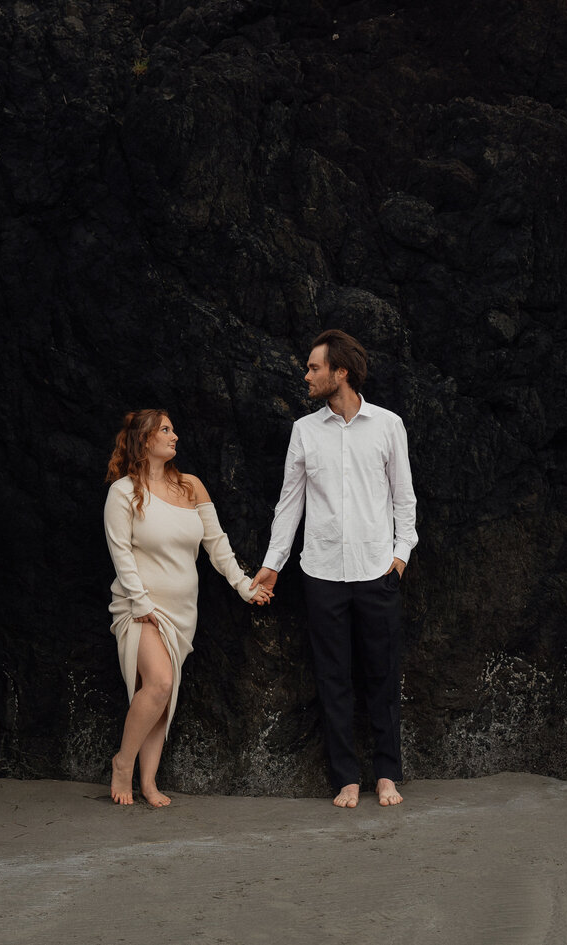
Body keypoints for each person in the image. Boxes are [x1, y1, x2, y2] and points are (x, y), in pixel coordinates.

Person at [252, 329, 417, 810]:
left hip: (376, 571)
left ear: (340, 372)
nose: (306, 375)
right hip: (321, 573)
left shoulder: (388, 425)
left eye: (314, 368)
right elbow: (289, 505)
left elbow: (404, 499)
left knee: (383, 676)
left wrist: (400, 556)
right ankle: (346, 778)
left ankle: (386, 774)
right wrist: (272, 566)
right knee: (332, 678)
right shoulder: (305, 431)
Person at [105, 408, 271, 807]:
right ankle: (122, 763)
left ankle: (148, 782)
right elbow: (121, 551)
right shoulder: (123, 492)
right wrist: (140, 601)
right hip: (140, 606)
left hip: (183, 611)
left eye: (174, 429)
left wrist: (244, 586)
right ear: (145, 440)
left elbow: (217, 545)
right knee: (159, 682)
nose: (175, 436)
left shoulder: (191, 486)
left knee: (162, 694)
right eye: (166, 430)